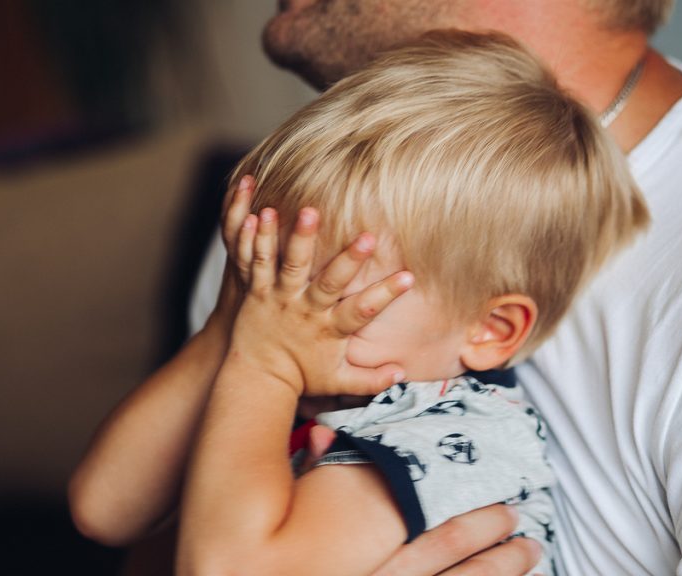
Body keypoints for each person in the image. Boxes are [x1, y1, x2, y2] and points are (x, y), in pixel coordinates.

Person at [74, 1, 682, 573]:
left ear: (494, 329)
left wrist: (263, 363)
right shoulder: (304, 225)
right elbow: (126, 521)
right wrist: (237, 335)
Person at [175, 31, 648, 576]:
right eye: (277, 274)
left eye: (334, 289)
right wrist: (230, 324)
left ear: (490, 329)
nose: (282, 312)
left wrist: (262, 364)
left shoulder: (447, 434)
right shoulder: (290, 371)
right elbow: (104, 508)